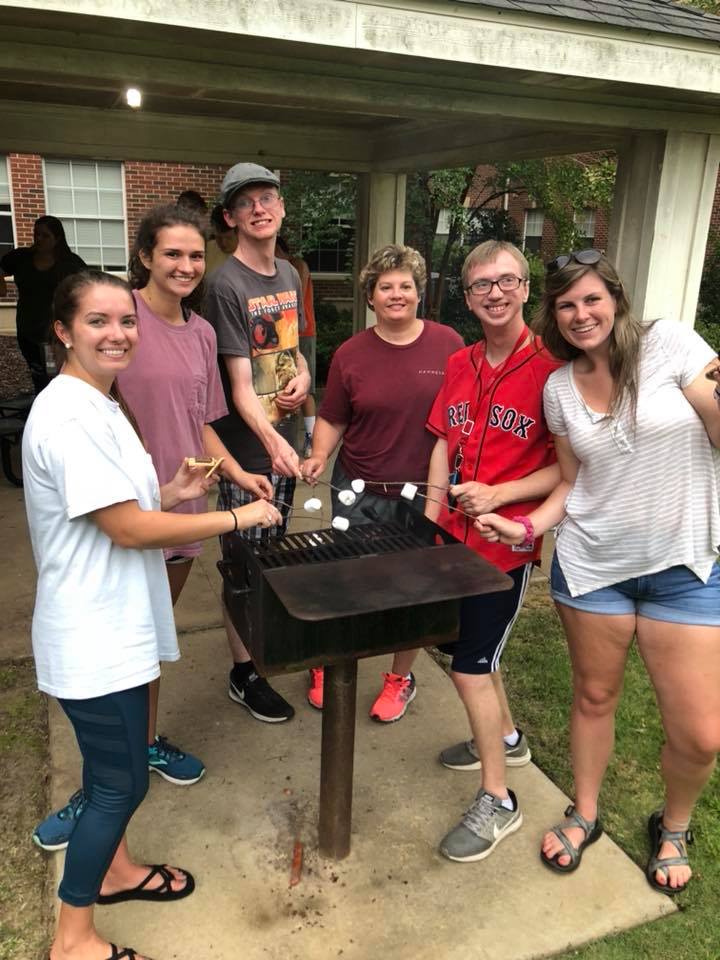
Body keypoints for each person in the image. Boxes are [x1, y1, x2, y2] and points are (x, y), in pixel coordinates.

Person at [23, 269, 280, 960]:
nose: (118, 333)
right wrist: (235, 511)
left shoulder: (99, 403)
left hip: (114, 624)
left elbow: (114, 508)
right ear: (62, 330)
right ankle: (72, 938)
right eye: (98, 322)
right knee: (119, 782)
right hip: (91, 633)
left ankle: (118, 871)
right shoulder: (69, 414)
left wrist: (171, 488)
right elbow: (127, 530)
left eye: (126, 320)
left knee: (117, 772)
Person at [475, 249, 720, 894]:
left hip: (683, 567)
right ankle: (585, 811)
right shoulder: (558, 387)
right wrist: (527, 526)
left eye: (591, 299)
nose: (581, 314)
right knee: (593, 696)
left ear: (615, 297)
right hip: (592, 566)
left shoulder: (670, 345)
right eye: (566, 305)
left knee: (700, 731)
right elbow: (571, 481)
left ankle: (673, 824)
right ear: (553, 315)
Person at [423, 240, 562, 862]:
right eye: (482, 284)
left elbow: (567, 469)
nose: (495, 292)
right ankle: (505, 738)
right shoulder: (461, 360)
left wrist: (501, 495)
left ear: (527, 288)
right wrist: (430, 512)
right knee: (471, 652)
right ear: (468, 294)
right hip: (452, 537)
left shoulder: (554, 372)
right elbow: (443, 441)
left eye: (507, 280)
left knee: (469, 665)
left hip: (505, 550)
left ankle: (498, 799)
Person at [303, 243, 464, 718]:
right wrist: (316, 455)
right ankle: (330, 659)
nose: (396, 294)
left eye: (406, 286)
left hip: (423, 491)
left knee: (410, 586)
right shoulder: (352, 352)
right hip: (359, 488)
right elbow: (334, 416)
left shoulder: (449, 344)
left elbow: (460, 418)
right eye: (385, 287)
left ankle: (399, 677)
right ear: (370, 297)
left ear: (419, 294)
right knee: (347, 580)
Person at [205, 162, 311, 722]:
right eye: (247, 203)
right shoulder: (226, 284)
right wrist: (271, 441)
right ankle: (243, 673)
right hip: (248, 451)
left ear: (282, 207)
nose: (260, 208)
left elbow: (291, 354)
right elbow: (240, 385)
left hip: (282, 439)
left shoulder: (289, 276)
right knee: (241, 559)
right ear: (231, 217)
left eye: (268, 197)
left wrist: (305, 381)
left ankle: (260, 647)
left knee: (270, 551)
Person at [0, 216, 86, 393]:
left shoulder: (70, 263)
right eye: (36, 234)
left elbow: (89, 287)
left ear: (57, 238)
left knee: (56, 373)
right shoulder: (21, 258)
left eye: (45, 235)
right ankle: (43, 408)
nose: (38, 239)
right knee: (38, 374)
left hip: (55, 331)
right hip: (27, 327)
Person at [275, 235, 317, 458]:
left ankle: (312, 436)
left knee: (305, 388)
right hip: (281, 335)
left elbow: (294, 296)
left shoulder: (296, 266)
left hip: (303, 332)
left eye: (276, 252)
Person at [205, 203, 238, 277]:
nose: (223, 243)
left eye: (229, 238)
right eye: (218, 237)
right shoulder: (206, 250)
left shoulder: (253, 254)